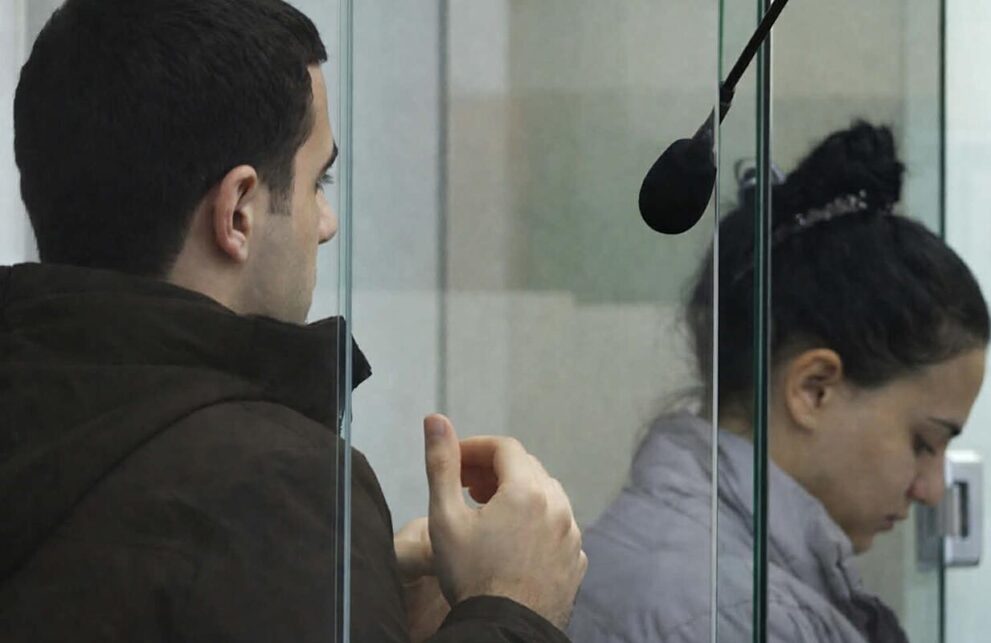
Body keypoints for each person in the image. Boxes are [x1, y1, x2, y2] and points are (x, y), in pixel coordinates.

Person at [0, 1, 586, 641]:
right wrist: (514, 606)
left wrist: (349, 598)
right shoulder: (269, 488)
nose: (326, 224)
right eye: (317, 182)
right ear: (239, 213)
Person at [568, 122, 991, 643]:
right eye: (923, 442)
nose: (931, 490)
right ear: (814, 389)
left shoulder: (711, 575)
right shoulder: (729, 614)